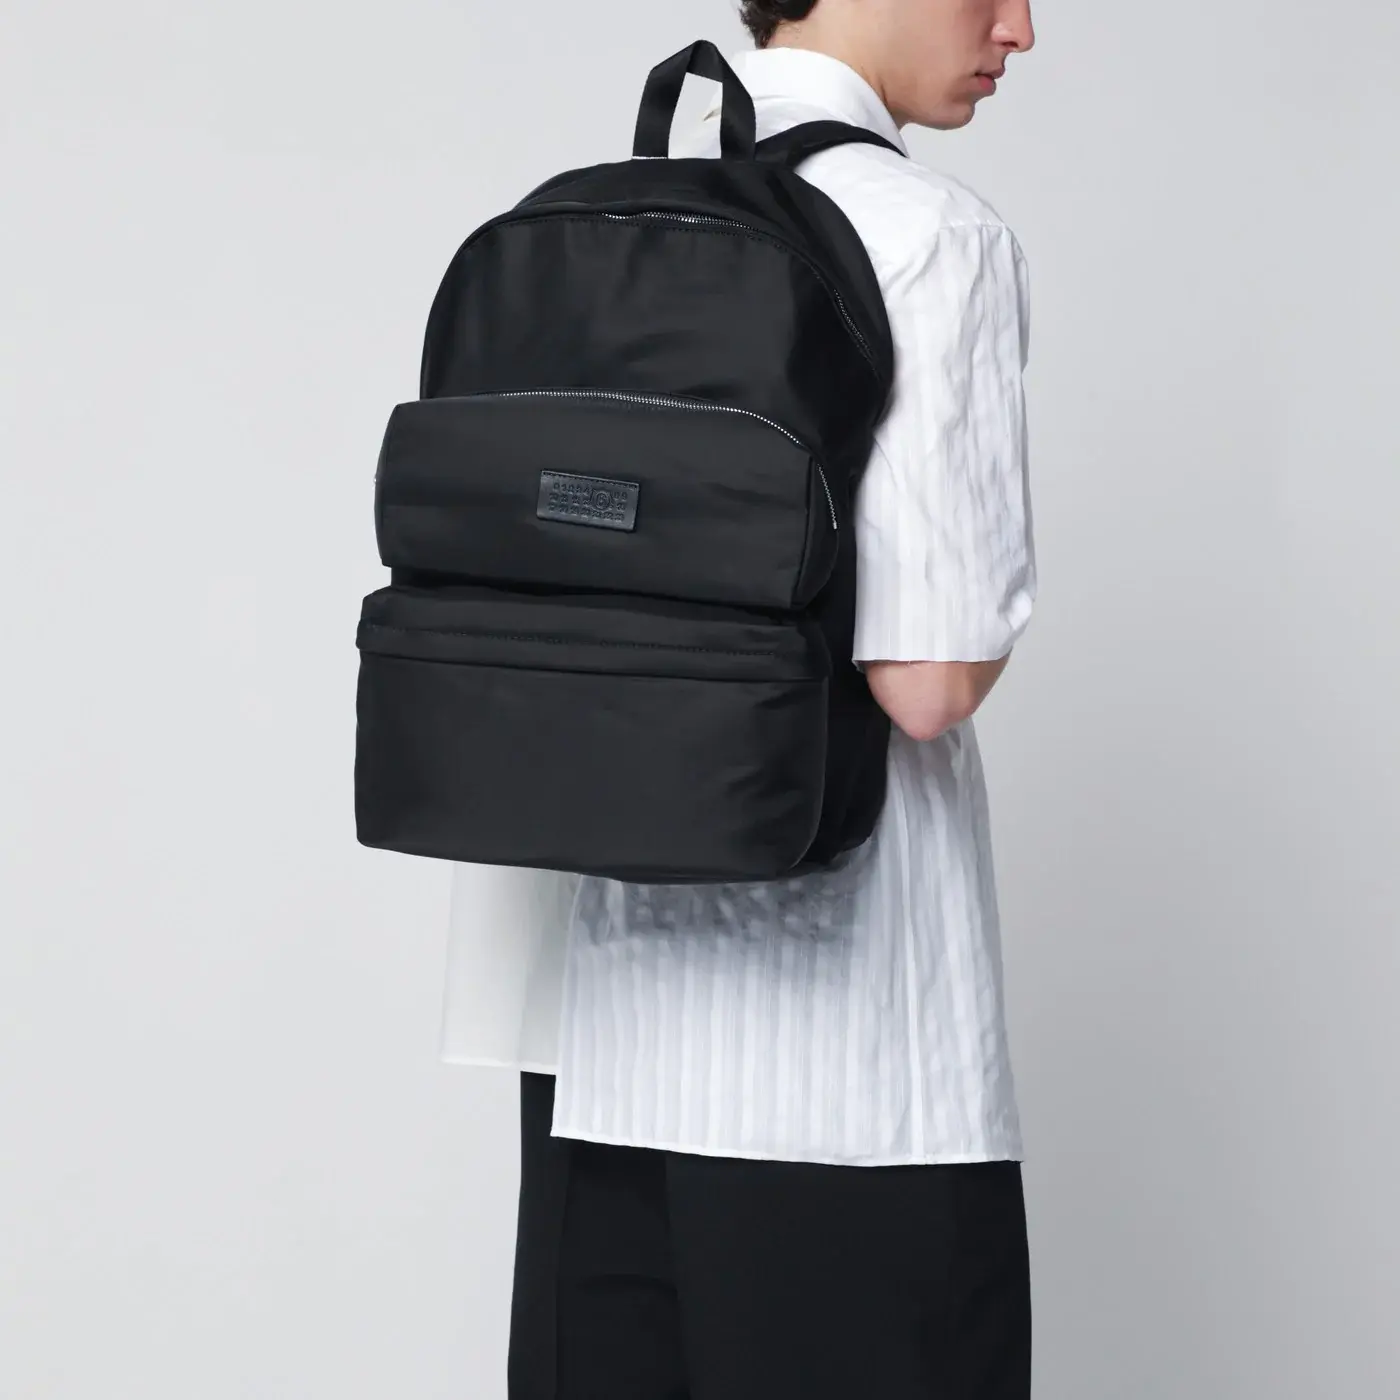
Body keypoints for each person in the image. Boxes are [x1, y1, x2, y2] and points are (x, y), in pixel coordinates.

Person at [440, 1, 1039, 1395]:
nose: (1021, 25)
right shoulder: (929, 236)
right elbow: (930, 682)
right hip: (853, 1075)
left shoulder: (602, 223)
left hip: (600, 1052)